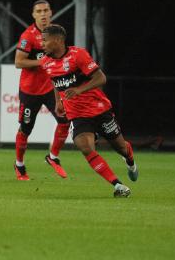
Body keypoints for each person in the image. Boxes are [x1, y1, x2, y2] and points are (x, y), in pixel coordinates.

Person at [39, 24, 138, 197]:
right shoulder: (46, 62)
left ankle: (130, 161)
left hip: (99, 110)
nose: (42, 44)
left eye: (45, 40)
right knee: (85, 147)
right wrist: (58, 101)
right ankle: (118, 185)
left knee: (121, 147)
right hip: (77, 115)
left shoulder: (78, 55)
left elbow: (101, 78)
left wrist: (79, 90)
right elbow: (56, 81)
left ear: (58, 40)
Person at [13, 0, 70, 180]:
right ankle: (19, 165)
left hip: (51, 89)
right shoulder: (28, 36)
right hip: (30, 91)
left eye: (46, 10)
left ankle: (53, 157)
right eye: (39, 11)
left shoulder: (56, 32)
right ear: (33, 15)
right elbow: (18, 62)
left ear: (51, 12)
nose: (43, 14)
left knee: (65, 120)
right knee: (26, 129)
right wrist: (43, 62)